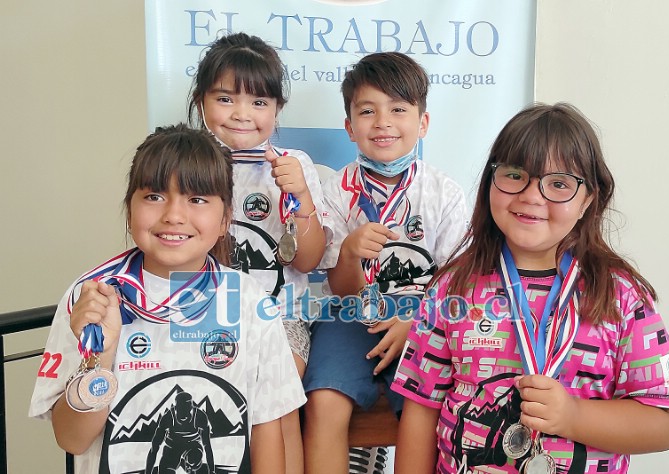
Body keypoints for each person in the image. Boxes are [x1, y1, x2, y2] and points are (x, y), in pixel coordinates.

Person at [392, 103, 669, 473]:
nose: (532, 195)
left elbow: (667, 423)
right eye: (515, 175)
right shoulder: (452, 289)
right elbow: (421, 407)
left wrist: (573, 416)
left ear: (588, 200)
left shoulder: (621, 297)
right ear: (490, 182)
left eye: (558, 184)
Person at [29, 124, 305, 473]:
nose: (174, 215)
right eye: (154, 196)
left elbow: (267, 428)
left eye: (197, 199)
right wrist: (101, 358)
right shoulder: (92, 297)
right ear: (129, 209)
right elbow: (71, 440)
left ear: (225, 219)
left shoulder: (249, 301)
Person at [302, 52, 469, 473]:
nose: (383, 122)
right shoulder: (335, 192)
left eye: (398, 109)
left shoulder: (442, 193)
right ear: (349, 127)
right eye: (367, 111)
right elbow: (341, 291)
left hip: (424, 319)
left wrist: (416, 320)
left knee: (420, 404)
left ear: (423, 123)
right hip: (349, 315)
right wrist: (350, 253)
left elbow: (456, 280)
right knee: (324, 401)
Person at [187, 32, 329, 474]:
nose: (243, 114)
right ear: (201, 101)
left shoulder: (293, 164)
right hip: (202, 312)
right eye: (226, 98)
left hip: (280, 316)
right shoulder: (187, 162)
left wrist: (301, 195)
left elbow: (307, 260)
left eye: (259, 102)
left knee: (278, 388)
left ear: (277, 110)